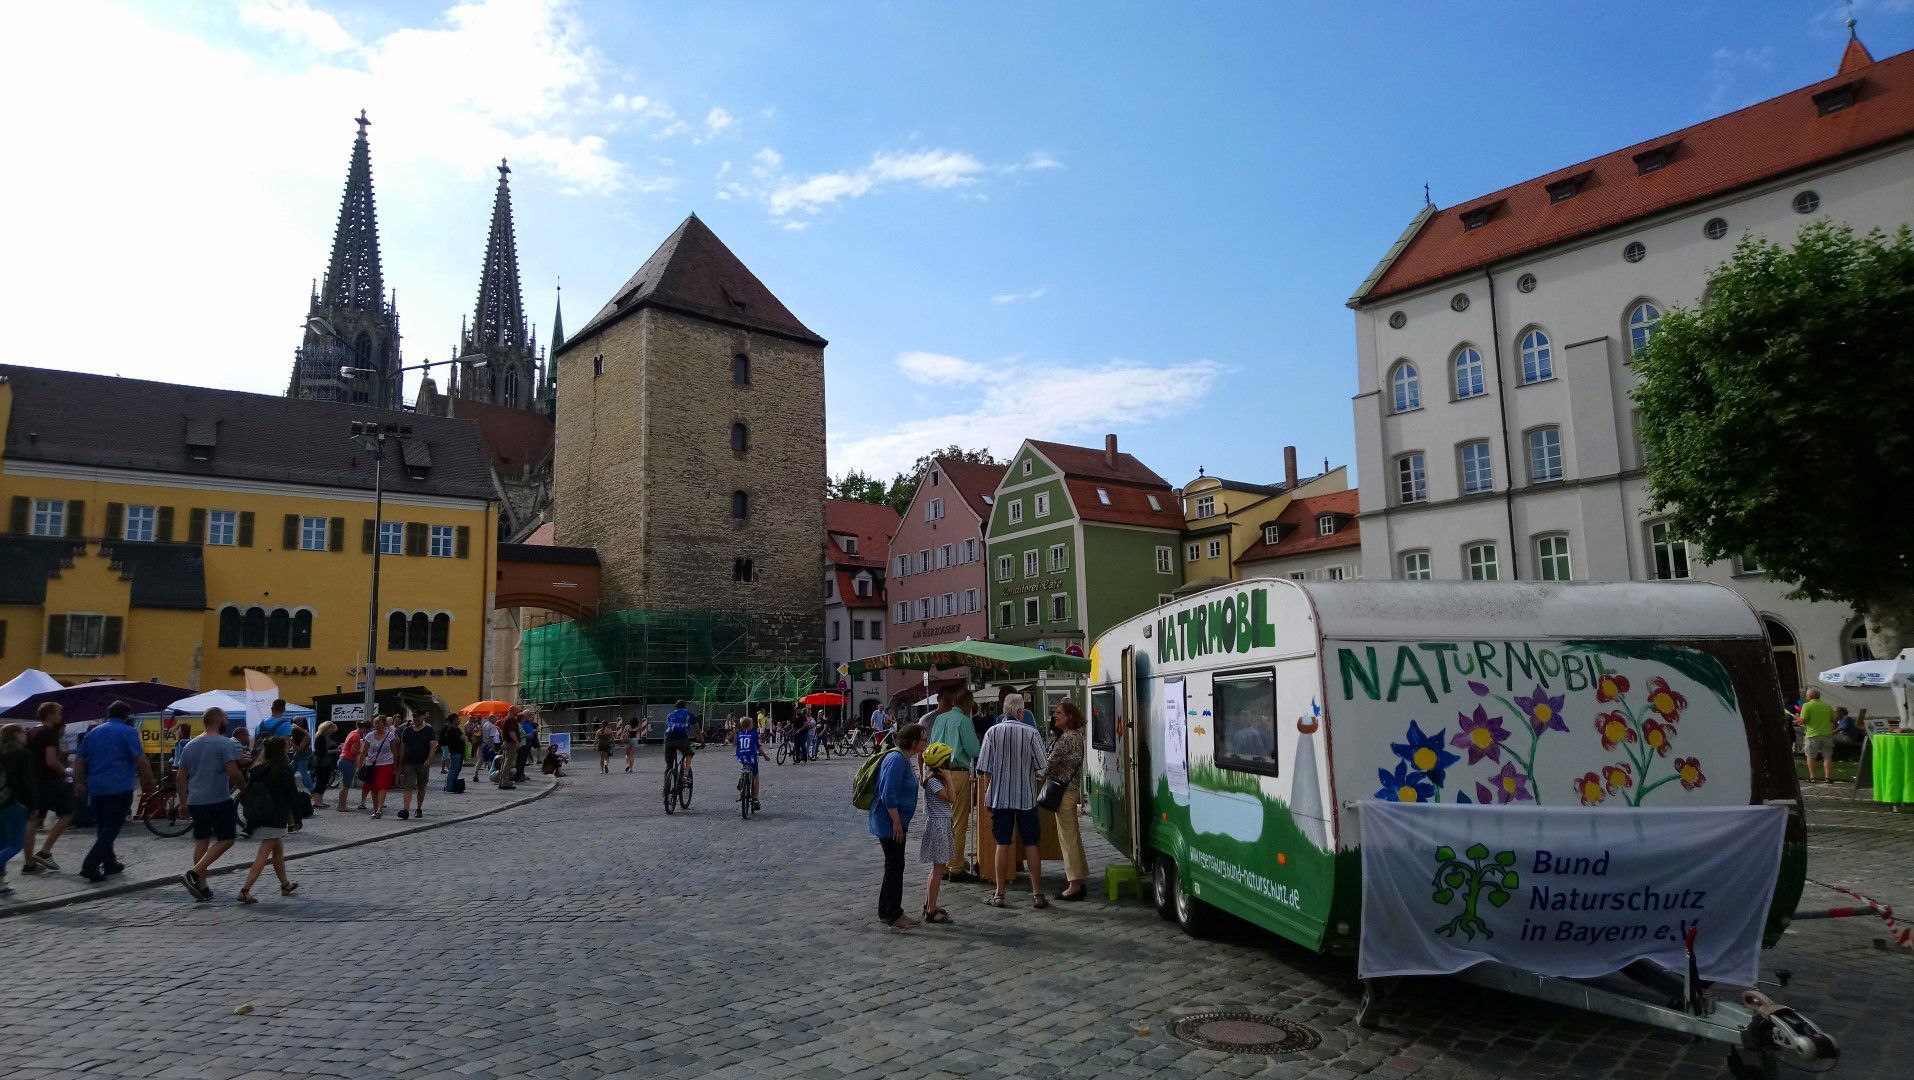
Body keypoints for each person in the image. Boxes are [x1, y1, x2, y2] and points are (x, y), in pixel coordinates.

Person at [73, 701, 156, 882]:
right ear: (127, 716)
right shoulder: (128, 732)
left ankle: (110, 862)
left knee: (103, 826)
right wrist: (149, 782)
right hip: (119, 786)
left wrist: (79, 783)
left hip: (96, 787)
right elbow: (141, 760)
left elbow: (80, 760)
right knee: (112, 827)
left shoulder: (93, 733)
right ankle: (90, 864)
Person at [975, 704, 1047, 909]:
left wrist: (989, 793)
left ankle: (999, 893)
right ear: (1019, 712)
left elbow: (985, 769)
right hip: (1026, 798)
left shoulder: (992, 732)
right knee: (1032, 843)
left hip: (1001, 798)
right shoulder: (1032, 733)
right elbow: (1042, 768)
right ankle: (1037, 893)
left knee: (1002, 843)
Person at [176, 708, 246, 901]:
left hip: (196, 801)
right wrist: (245, 789)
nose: (227, 721)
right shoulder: (225, 743)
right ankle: (194, 872)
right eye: (225, 718)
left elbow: (181, 776)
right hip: (218, 798)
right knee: (227, 839)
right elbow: (233, 772)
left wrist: (183, 802)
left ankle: (202, 886)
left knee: (202, 840)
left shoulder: (190, 744)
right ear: (218, 721)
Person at [871, 723, 927, 931]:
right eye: (923, 740)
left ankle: (886, 910)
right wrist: (896, 823)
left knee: (893, 865)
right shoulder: (896, 760)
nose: (925, 743)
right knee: (895, 866)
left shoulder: (903, 759)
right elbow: (888, 795)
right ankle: (894, 913)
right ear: (913, 742)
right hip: (890, 823)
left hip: (893, 822)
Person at [927, 689, 983, 882]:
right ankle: (956, 867)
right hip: (957, 774)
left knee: (942, 822)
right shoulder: (964, 721)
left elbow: (931, 746)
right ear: (968, 704)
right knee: (959, 822)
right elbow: (974, 749)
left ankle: (941, 867)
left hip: (937, 774)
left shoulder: (940, 719)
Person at [235, 737, 299, 904]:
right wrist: (295, 819)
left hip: (258, 814)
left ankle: (285, 884)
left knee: (277, 849)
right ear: (282, 751)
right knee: (263, 853)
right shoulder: (284, 770)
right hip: (274, 816)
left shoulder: (258, 769)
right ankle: (245, 890)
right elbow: (292, 796)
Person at [1045, 700, 1090, 902]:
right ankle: (1078, 879)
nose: (1055, 715)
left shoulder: (1066, 739)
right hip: (1072, 791)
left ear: (1069, 717)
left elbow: (1048, 765)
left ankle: (1073, 885)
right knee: (1073, 836)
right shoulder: (1077, 737)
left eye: (1059, 713)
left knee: (1068, 838)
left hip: (1063, 792)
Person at [21, 702, 72, 874]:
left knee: (33, 821)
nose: (60, 716)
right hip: (50, 780)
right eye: (58, 712)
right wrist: (65, 772)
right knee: (67, 814)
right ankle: (45, 851)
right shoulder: (49, 732)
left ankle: (29, 863)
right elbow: (50, 760)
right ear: (50, 714)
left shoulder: (32, 731)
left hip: (34, 781)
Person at [918, 742, 956, 925]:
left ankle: (929, 904)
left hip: (942, 824)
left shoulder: (933, 778)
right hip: (939, 825)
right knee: (939, 869)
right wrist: (949, 779)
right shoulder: (933, 781)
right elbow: (952, 799)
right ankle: (931, 910)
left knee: (937, 869)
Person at [0, 723, 36, 897]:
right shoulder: (22, 753)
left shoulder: (2, 752)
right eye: (23, 732)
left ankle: (0, 885)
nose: (26, 735)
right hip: (16, 803)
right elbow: (27, 783)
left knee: (2, 843)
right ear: (15, 734)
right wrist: (32, 805)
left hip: (1, 802)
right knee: (15, 844)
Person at [396, 711, 437, 820]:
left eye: (418, 716)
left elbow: (433, 746)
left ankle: (419, 808)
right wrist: (401, 762)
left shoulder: (429, 730)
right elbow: (403, 747)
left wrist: (429, 759)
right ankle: (406, 809)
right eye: (414, 716)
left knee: (421, 786)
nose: (416, 718)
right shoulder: (407, 730)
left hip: (423, 762)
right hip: (409, 762)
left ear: (423, 717)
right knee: (408, 786)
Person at [360, 714, 400, 818]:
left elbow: (394, 751)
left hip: (386, 764)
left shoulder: (390, 735)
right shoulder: (369, 736)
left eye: (379, 723)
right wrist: (359, 765)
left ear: (384, 724)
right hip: (371, 765)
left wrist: (396, 765)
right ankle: (375, 810)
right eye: (375, 723)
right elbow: (363, 751)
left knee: (381, 785)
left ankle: (379, 809)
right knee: (373, 788)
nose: (376, 725)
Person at [1797, 689, 1837, 782]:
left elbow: (1802, 721)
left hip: (1812, 735)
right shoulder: (1827, 705)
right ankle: (1827, 777)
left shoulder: (1806, 705)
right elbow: (1834, 721)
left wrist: (1798, 718)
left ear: (1809, 696)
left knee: (1811, 756)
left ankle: (1812, 777)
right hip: (1827, 734)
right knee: (1827, 756)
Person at [336, 718, 368, 811]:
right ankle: (342, 806)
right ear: (364, 728)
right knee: (346, 785)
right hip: (347, 760)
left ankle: (340, 805)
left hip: (342, 759)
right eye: (367, 729)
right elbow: (353, 751)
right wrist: (363, 749)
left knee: (344, 784)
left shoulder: (352, 733)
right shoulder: (357, 736)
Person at [663, 700, 696, 782]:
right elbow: (697, 729)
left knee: (669, 765)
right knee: (689, 753)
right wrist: (702, 740)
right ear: (685, 706)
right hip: (682, 739)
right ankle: (685, 775)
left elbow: (667, 729)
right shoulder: (688, 713)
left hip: (668, 740)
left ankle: (667, 783)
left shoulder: (669, 715)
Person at [735, 714, 763, 811]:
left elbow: (738, 747)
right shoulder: (754, 734)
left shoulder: (739, 735)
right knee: (756, 775)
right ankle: (755, 798)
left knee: (744, 766)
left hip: (742, 757)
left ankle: (741, 780)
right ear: (750, 725)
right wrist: (765, 755)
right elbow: (758, 748)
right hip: (752, 757)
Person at [311, 721, 340, 808]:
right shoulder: (320, 738)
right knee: (320, 782)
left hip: (328, 764)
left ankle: (321, 800)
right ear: (326, 729)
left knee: (324, 782)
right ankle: (316, 802)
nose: (332, 731)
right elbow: (319, 751)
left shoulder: (328, 737)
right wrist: (334, 751)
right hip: (321, 764)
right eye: (331, 729)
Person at [440, 717, 467, 793]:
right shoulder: (451, 730)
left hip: (459, 752)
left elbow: (463, 737)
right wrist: (464, 736)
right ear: (453, 720)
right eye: (457, 719)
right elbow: (462, 738)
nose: (459, 720)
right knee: (453, 770)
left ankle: (453, 785)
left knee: (457, 769)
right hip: (455, 752)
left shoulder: (457, 729)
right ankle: (449, 786)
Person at [288, 725, 315, 796]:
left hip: (303, 757)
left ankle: (312, 790)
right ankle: (288, 788)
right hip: (297, 756)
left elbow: (300, 749)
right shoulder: (295, 737)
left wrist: (292, 743)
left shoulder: (305, 737)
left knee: (304, 774)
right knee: (289, 772)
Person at [495, 719, 519, 790]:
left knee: (504, 762)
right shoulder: (511, 720)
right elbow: (511, 732)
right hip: (510, 743)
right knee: (508, 763)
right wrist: (517, 742)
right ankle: (505, 782)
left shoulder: (506, 719)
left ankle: (502, 782)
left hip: (506, 742)